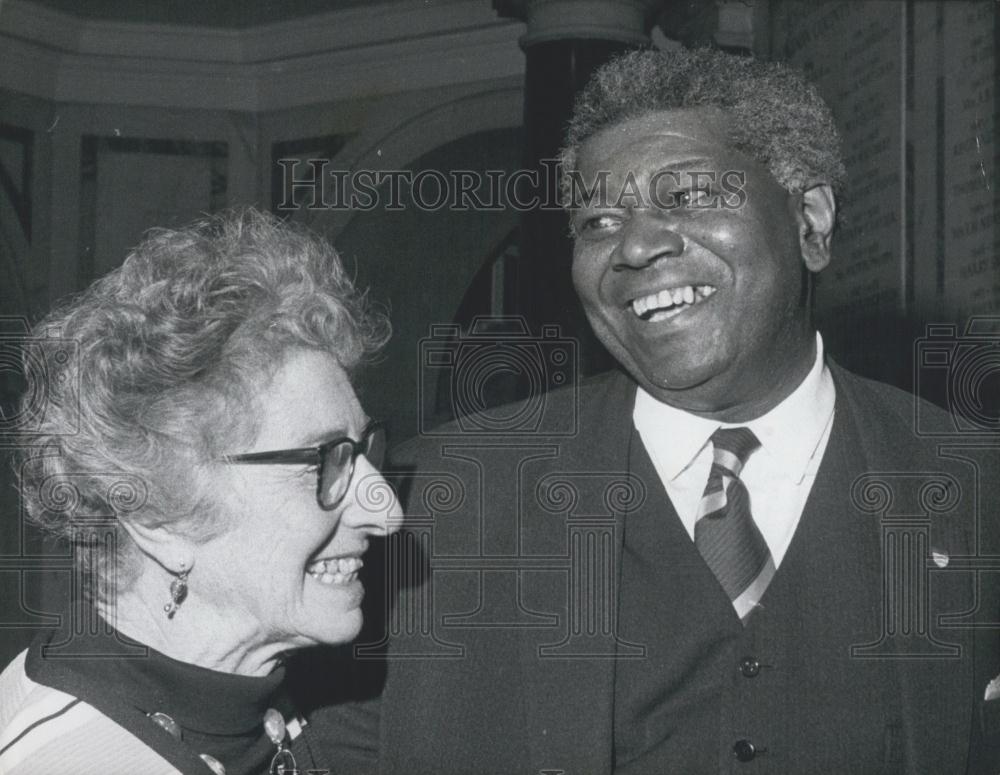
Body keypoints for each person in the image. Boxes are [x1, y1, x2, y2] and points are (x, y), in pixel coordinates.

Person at [311, 47, 1000, 773]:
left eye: (689, 196)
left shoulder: (977, 493)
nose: (635, 246)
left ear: (811, 222)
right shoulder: (431, 507)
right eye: (599, 221)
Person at [0, 209, 402, 775]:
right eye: (324, 459)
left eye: (363, 450)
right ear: (157, 515)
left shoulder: (285, 708)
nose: (388, 514)